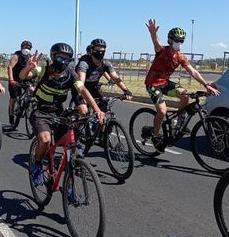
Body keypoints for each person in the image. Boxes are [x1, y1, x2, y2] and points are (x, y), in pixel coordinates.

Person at [19, 43, 106, 186]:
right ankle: (38, 163)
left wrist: (96, 109)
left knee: (71, 141)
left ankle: (70, 176)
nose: (64, 62)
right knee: (46, 140)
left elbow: (82, 89)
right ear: (53, 57)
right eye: (60, 58)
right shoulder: (44, 69)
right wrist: (29, 66)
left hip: (59, 112)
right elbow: (23, 76)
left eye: (67, 59)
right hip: (41, 112)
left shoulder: (71, 74)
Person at [143, 19, 220, 152]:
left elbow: (193, 71)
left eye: (182, 41)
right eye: (177, 40)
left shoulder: (180, 56)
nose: (179, 43)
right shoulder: (162, 51)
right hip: (153, 85)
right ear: (170, 40)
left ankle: (180, 124)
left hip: (165, 83)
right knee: (162, 111)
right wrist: (153, 33)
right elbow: (156, 41)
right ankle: (155, 136)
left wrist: (206, 85)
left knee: (185, 95)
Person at [73, 38, 133, 117]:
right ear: (92, 50)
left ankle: (100, 129)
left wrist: (126, 90)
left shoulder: (105, 63)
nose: (100, 53)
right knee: (84, 113)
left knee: (104, 112)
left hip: (93, 88)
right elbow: (81, 81)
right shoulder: (84, 63)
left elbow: (115, 77)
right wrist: (82, 95)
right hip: (80, 89)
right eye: (97, 50)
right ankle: (75, 128)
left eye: (102, 51)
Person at [7, 40, 33, 126]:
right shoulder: (16, 56)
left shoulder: (30, 57)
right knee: (14, 98)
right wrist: (11, 80)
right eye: (25, 47)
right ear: (21, 47)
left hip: (25, 78)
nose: (27, 49)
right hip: (15, 79)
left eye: (29, 48)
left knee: (32, 89)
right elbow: (10, 67)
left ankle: (29, 103)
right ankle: (11, 116)